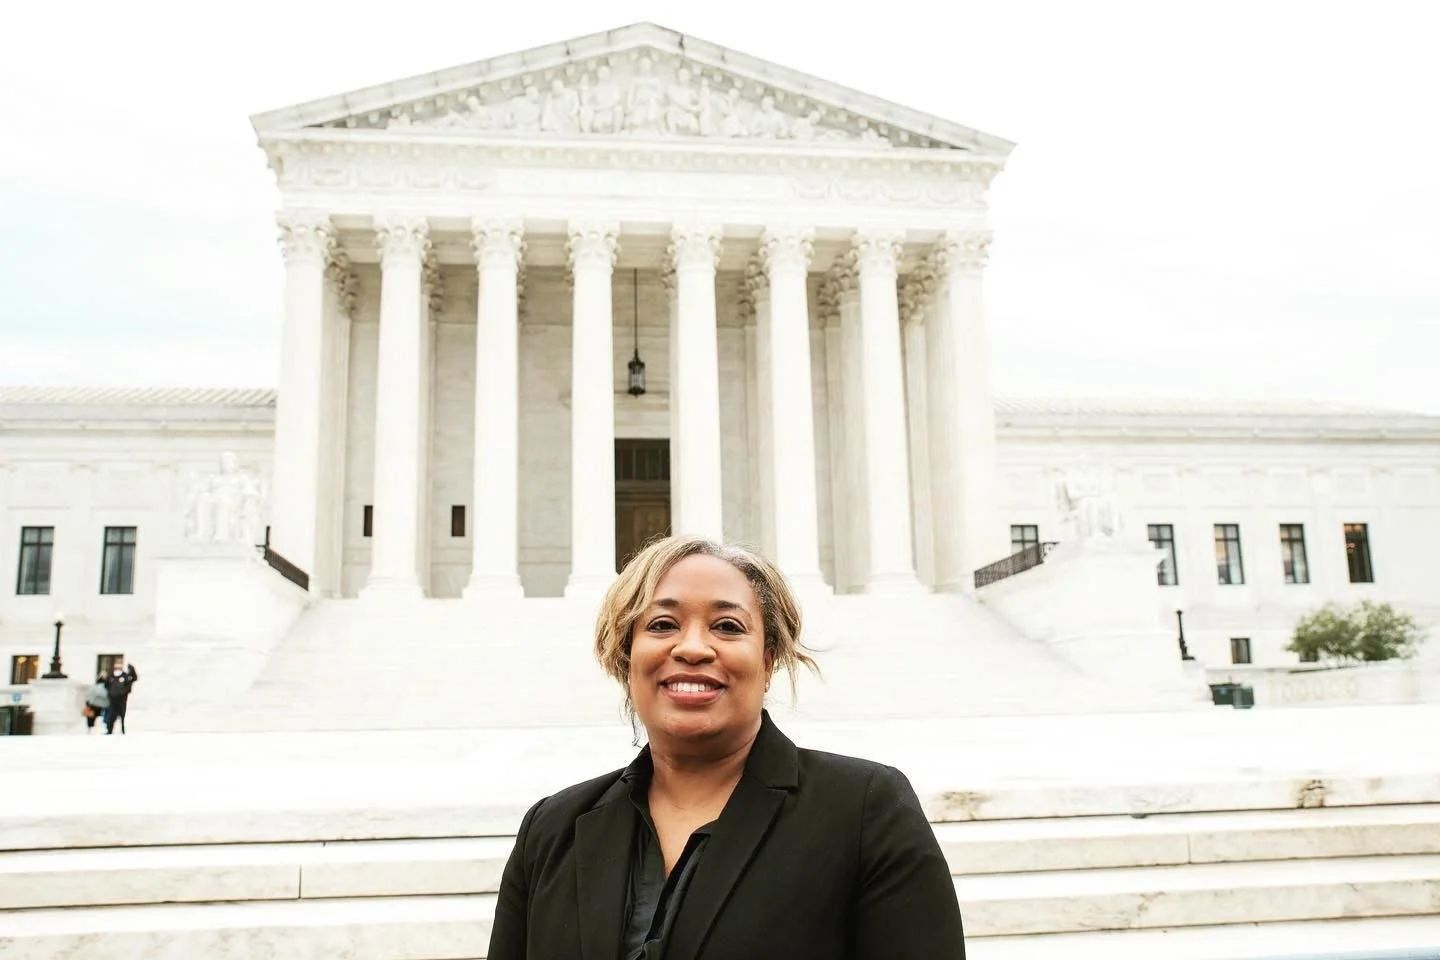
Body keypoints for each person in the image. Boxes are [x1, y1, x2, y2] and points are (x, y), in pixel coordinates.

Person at [488, 536, 965, 960]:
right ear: (625, 654)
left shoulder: (864, 809)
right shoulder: (551, 828)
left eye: (728, 627)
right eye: (661, 624)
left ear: (769, 658)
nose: (692, 648)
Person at [103, 659, 138, 735]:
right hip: (112, 699)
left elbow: (134, 678)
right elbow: (105, 685)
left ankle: (122, 730)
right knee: (111, 715)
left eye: (119, 667)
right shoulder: (111, 676)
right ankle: (109, 730)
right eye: (116, 667)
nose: (118, 669)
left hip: (122, 699)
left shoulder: (125, 676)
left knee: (122, 715)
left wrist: (132, 670)